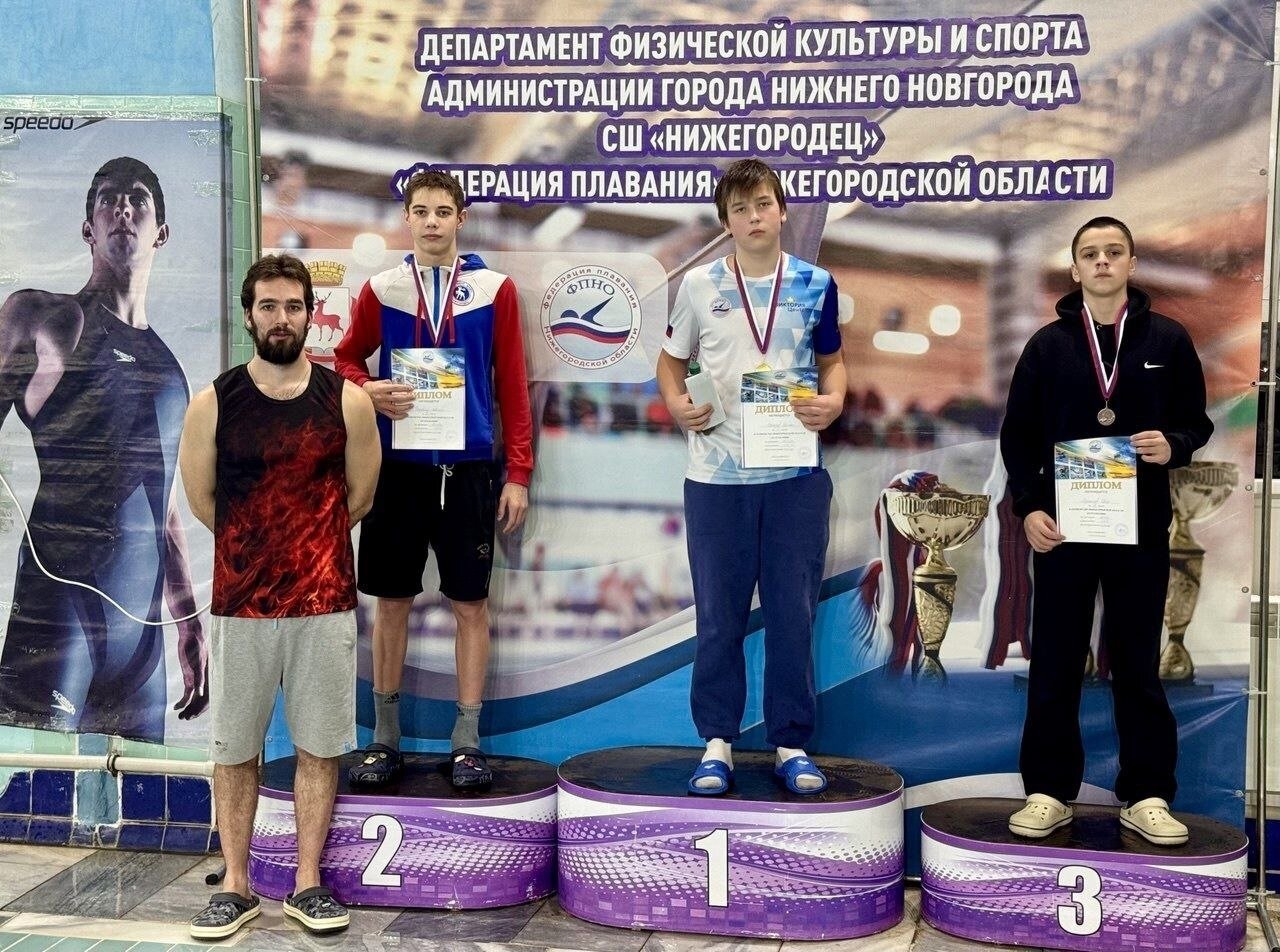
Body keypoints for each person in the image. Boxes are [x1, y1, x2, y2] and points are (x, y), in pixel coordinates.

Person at [180, 254, 380, 938]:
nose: (281, 318)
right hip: (242, 604)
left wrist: (305, 549)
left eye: (293, 306)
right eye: (268, 306)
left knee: (320, 747)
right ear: (248, 316)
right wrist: (258, 550)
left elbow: (359, 497)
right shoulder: (213, 403)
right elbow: (204, 500)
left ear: (310, 316)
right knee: (235, 747)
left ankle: (307, 883)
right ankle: (235, 887)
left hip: (324, 602)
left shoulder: (347, 402)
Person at [999, 216, 1212, 846]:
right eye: (1089, 253)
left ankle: (1146, 794)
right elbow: (1019, 438)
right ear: (1074, 269)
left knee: (1138, 662)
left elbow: (1196, 423)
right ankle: (1048, 791)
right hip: (1065, 529)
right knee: (1056, 659)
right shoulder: (1047, 346)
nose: (1101, 262)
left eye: (1113, 252)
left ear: (1131, 264)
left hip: (1139, 526)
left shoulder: (1168, 339)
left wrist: (1172, 444)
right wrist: (1029, 508)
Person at [334, 169, 533, 788]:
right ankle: (384, 738)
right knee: (391, 603)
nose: (430, 222)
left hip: (468, 472)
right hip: (396, 471)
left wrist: (518, 472)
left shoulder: (495, 290)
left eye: (443, 211)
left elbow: (512, 386)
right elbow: (344, 358)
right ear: (407, 218)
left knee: (470, 604)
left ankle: (466, 742)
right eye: (420, 211)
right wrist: (368, 389)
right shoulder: (383, 289)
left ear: (460, 218)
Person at [656, 159, 846, 796]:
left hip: (794, 478)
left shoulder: (816, 284)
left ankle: (791, 743)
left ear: (782, 211)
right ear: (727, 222)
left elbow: (833, 362)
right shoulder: (699, 285)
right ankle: (717, 743)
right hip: (716, 479)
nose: (754, 216)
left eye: (763, 204)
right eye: (740, 209)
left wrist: (834, 401)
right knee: (719, 618)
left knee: (793, 615)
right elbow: (670, 363)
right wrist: (677, 404)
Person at [0, 156, 206, 741]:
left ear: (161, 233)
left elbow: (164, 505)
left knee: (141, 794)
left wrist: (188, 619)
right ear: (88, 228)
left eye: (138, 198)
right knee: (31, 783)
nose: (122, 208)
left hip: (142, 644)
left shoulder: (171, 372)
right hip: (58, 615)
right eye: (107, 198)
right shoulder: (45, 317)